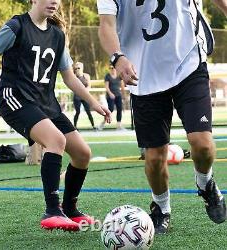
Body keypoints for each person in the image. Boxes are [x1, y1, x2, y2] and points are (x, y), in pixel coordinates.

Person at [0, 0, 111, 232]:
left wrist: (93, 102)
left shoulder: (58, 36)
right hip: (14, 96)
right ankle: (52, 210)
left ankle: (69, 209)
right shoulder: (16, 26)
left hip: (45, 102)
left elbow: (69, 78)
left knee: (82, 153)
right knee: (55, 141)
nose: (54, 2)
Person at [97, 0, 227, 234]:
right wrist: (118, 57)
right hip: (142, 75)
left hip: (188, 64)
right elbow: (106, 25)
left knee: (203, 145)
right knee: (155, 159)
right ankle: (162, 207)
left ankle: (205, 183)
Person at [99, 65, 125, 130]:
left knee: (119, 109)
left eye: (113, 68)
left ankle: (119, 125)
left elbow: (122, 86)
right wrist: (110, 94)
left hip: (118, 95)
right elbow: (107, 87)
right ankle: (103, 123)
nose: (112, 69)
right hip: (110, 96)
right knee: (110, 109)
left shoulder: (119, 76)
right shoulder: (107, 76)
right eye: (110, 68)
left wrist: (123, 95)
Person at [73, 61, 96, 130]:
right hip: (77, 97)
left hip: (85, 96)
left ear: (82, 68)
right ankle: (75, 127)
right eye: (76, 68)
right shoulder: (73, 77)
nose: (77, 69)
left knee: (88, 111)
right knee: (77, 112)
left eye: (78, 68)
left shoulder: (86, 76)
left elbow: (89, 86)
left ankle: (93, 126)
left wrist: (84, 91)